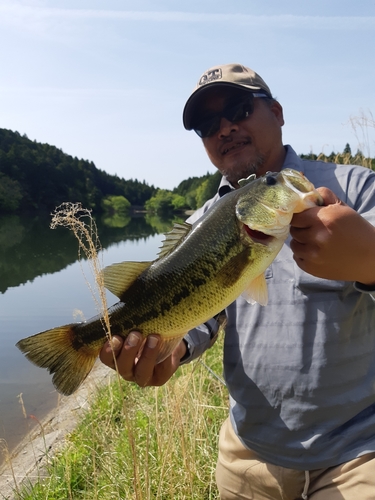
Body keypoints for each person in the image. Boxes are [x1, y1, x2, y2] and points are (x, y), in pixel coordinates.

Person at [100, 63, 375, 499]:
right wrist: (171, 349)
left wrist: (370, 257)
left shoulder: (357, 189)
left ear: (278, 112)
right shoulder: (199, 225)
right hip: (247, 455)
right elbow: (201, 315)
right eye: (208, 125)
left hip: (359, 451)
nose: (225, 128)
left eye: (239, 109)